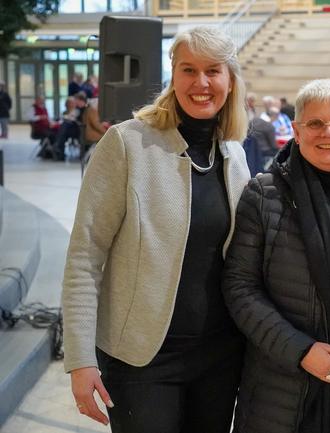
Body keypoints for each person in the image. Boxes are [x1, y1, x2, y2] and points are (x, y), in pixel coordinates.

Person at [61, 26, 250, 433]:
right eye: (188, 70)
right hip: (142, 359)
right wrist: (80, 358)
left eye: (213, 70)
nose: (201, 83)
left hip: (219, 358)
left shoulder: (233, 152)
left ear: (230, 79)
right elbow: (84, 255)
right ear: (173, 76)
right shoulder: (126, 144)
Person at [222, 78, 330, 433]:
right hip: (285, 387)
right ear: (297, 132)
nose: (328, 132)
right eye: (315, 124)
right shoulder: (264, 194)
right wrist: (302, 351)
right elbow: (240, 288)